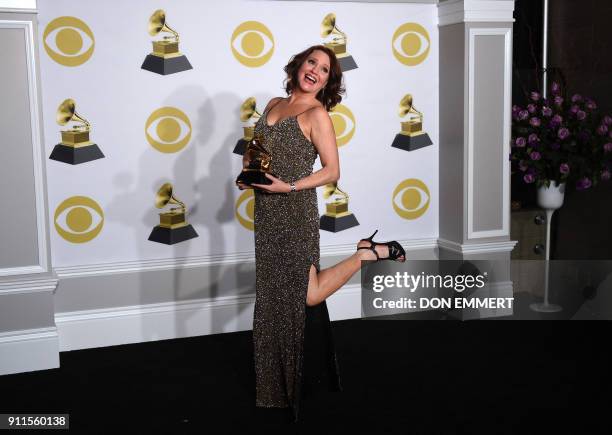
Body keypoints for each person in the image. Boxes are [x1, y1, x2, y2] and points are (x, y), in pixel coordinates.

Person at [236, 45, 407, 423]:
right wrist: (248, 171)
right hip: (265, 214)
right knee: (271, 300)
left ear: (329, 82)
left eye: (325, 69)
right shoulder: (274, 103)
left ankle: (365, 253)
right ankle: (273, 390)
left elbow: (332, 172)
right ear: (299, 65)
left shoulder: (317, 115)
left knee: (308, 294)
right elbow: (256, 150)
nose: (315, 70)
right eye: (312, 62)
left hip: (294, 211)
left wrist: (290, 187)